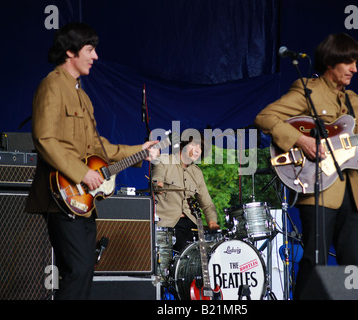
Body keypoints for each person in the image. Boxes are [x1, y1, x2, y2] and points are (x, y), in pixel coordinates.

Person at [254, 33, 358, 299]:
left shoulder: (357, 102)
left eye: (356, 62)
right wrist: (301, 140)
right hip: (317, 190)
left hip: (352, 197)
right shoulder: (309, 90)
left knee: (353, 267)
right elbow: (265, 117)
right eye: (349, 62)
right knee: (315, 265)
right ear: (331, 62)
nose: (355, 68)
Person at [24, 22, 158, 300]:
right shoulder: (52, 86)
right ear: (70, 52)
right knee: (78, 270)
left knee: (83, 270)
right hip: (61, 195)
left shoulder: (81, 94)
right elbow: (45, 139)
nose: (95, 57)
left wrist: (140, 150)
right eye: (90, 49)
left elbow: (100, 147)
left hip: (83, 203)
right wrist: (82, 173)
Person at [152, 137, 220, 252]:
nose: (198, 150)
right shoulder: (164, 160)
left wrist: (212, 222)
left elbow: (207, 204)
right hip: (165, 223)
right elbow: (155, 181)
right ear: (182, 145)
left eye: (201, 147)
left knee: (208, 252)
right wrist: (157, 185)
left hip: (190, 224)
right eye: (194, 145)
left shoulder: (197, 172)